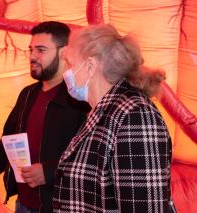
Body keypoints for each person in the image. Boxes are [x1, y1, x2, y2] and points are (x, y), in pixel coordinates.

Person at [0, 21, 90, 213]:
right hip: (23, 204)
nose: (32, 56)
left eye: (41, 50)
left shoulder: (81, 98)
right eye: (30, 50)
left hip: (62, 205)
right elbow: (8, 142)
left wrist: (49, 172)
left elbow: (91, 156)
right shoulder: (28, 94)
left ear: (64, 52)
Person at [52, 24, 175, 212]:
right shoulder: (105, 111)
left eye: (69, 64)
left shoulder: (135, 116)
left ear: (90, 66)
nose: (66, 73)